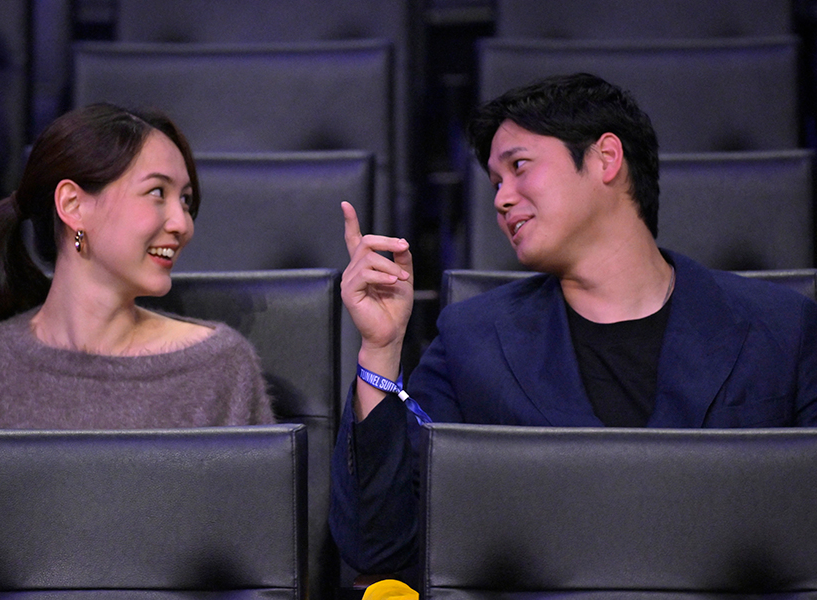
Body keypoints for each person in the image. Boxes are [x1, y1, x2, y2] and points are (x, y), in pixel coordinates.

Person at [330, 73, 817, 575]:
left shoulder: (780, 326)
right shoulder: (472, 339)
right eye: (497, 183)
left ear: (606, 158)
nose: (500, 199)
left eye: (519, 167)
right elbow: (379, 547)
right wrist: (381, 350)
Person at [0, 103, 274, 428]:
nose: (182, 224)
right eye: (157, 193)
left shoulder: (219, 368)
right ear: (73, 205)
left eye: (185, 201)